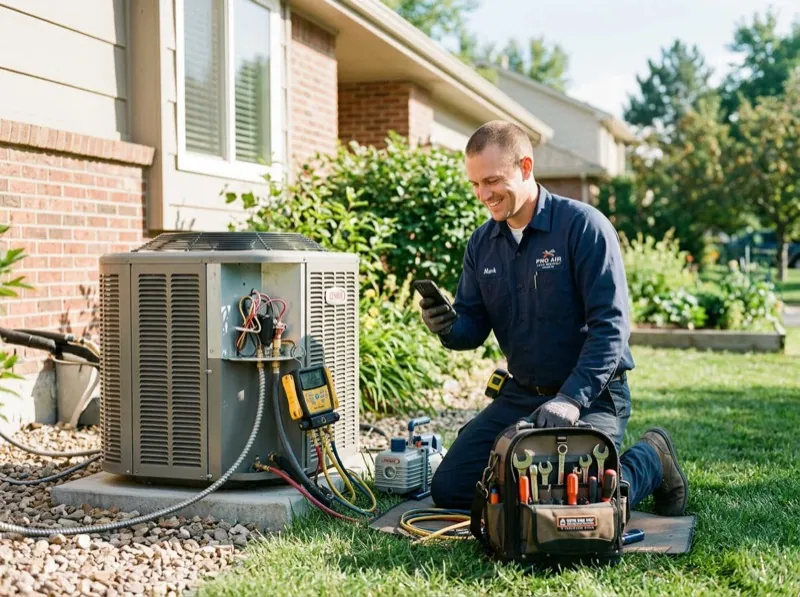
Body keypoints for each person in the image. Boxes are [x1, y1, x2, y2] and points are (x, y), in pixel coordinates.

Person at [421, 120, 689, 516]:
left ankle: (651, 457)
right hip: (521, 395)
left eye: (493, 180)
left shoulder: (583, 227)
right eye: (475, 184)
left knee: (577, 501)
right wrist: (446, 326)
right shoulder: (482, 243)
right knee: (453, 487)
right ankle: (545, 481)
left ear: (526, 167)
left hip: (593, 395)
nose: (484, 195)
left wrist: (571, 399)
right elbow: (472, 327)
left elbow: (611, 327)